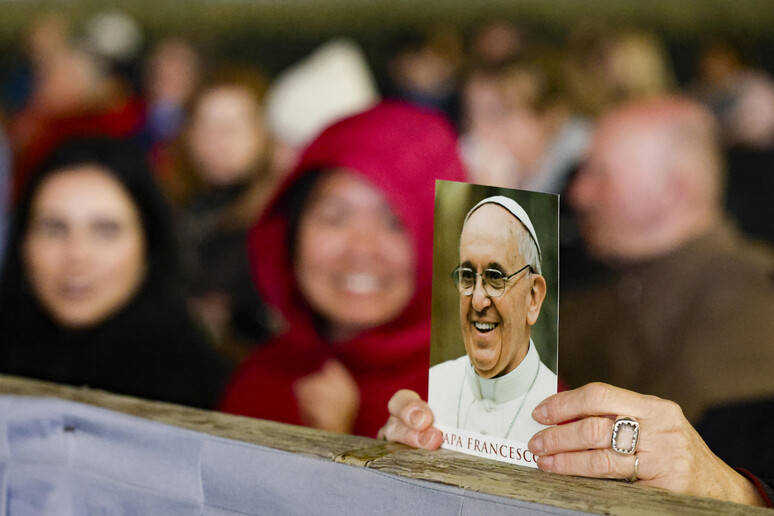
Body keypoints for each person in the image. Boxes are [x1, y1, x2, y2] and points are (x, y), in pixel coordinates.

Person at [378, 97, 774, 507]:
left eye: (601, 176)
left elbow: (707, 461)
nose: (579, 193)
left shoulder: (753, 302)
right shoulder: (586, 271)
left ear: (678, 187)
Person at [219, 101, 466, 437]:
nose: (361, 248)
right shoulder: (261, 383)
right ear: (290, 232)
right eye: (334, 217)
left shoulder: (504, 395)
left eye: (395, 222)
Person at [0, 137, 230, 409]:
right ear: (22, 243)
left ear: (148, 245)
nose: (77, 255)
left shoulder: (197, 387)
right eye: (54, 228)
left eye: (105, 230)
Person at [430, 196, 556, 442]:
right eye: (467, 276)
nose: (478, 300)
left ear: (533, 297)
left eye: (496, 277)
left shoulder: (558, 404)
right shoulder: (434, 388)